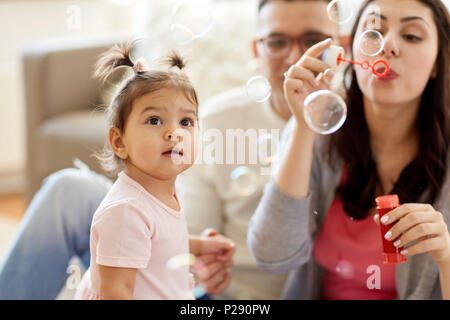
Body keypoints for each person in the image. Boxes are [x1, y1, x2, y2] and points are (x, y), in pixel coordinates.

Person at [0, 0, 339, 299]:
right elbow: (170, 235)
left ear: (341, 46)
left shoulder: (348, 128)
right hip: (185, 286)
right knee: (70, 190)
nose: (295, 57)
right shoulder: (217, 118)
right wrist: (200, 261)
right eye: (277, 41)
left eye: (312, 41)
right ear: (256, 49)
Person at [248, 0, 450, 300]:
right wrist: (304, 127)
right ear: (351, 50)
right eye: (373, 33)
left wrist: (446, 257)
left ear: (437, 63)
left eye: (411, 36)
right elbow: (272, 256)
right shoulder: (319, 120)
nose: (389, 46)